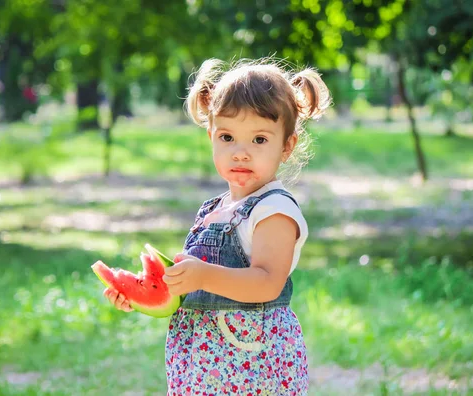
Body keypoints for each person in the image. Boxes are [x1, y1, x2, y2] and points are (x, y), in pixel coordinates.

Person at [104, 57, 332, 395]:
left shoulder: (275, 211)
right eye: (227, 137)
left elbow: (268, 283)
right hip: (202, 366)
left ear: (286, 146)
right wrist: (145, 292)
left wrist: (202, 275)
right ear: (211, 135)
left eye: (259, 140)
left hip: (254, 367)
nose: (240, 153)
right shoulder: (213, 208)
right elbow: (198, 290)